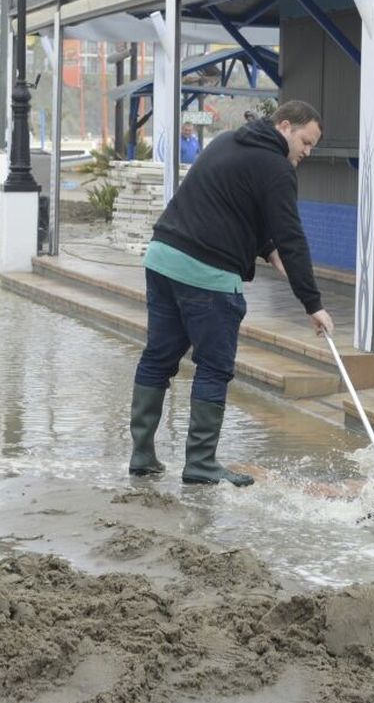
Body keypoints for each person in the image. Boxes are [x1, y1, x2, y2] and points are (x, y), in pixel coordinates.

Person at [127, 100, 333, 486]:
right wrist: (313, 304)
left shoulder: (225, 142)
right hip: (206, 274)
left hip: (162, 257)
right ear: (285, 126)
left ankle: (142, 456)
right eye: (305, 141)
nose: (307, 152)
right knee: (214, 366)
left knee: (158, 356)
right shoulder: (276, 168)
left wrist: (266, 248)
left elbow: (230, 206)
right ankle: (201, 463)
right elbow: (293, 238)